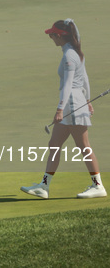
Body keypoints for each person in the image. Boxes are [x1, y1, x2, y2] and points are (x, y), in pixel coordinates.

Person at [21, 20, 106, 199]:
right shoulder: (74, 52)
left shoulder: (69, 56)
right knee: (54, 145)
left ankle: (98, 186)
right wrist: (88, 100)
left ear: (59, 36)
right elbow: (85, 78)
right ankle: (44, 187)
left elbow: (68, 85)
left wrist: (60, 109)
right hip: (74, 103)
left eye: (52, 35)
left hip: (73, 105)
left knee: (84, 146)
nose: (51, 37)